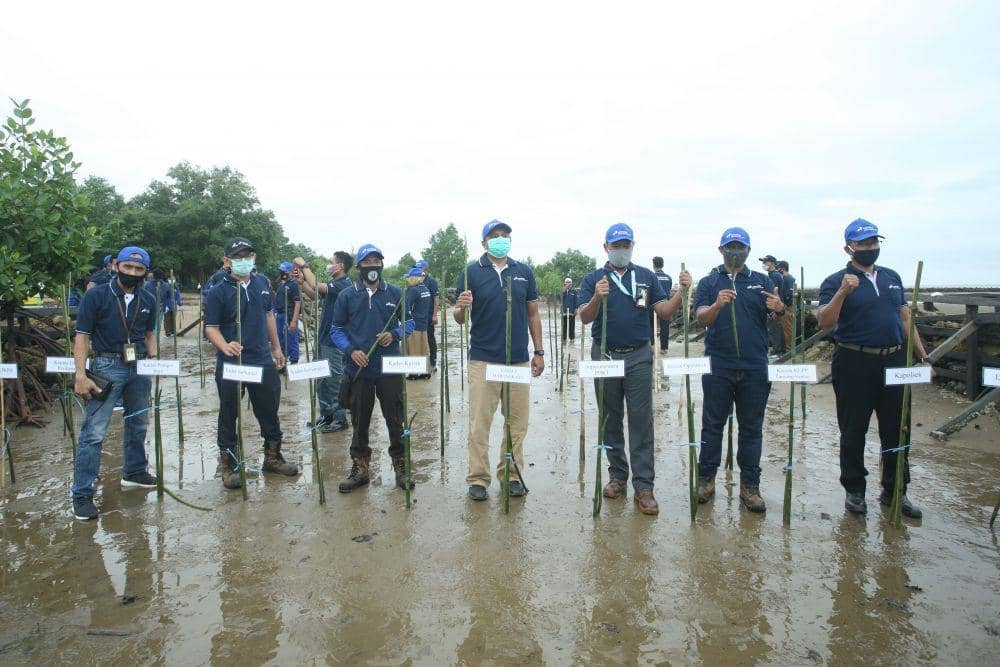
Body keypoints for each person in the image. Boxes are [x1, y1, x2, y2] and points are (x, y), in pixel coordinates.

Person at [818, 219, 930, 518]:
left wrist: (923, 355)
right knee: (853, 429)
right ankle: (855, 490)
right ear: (849, 248)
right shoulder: (835, 280)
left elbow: (905, 318)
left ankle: (896, 490)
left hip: (893, 360)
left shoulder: (891, 277)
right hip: (855, 361)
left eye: (873, 243)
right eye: (863, 244)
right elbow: (824, 321)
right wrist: (842, 292)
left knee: (897, 429)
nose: (870, 248)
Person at [578, 224, 691, 515]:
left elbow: (664, 311)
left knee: (641, 420)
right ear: (606, 248)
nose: (621, 249)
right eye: (616, 245)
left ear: (633, 246)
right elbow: (584, 318)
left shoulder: (646, 276)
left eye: (626, 244)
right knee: (610, 417)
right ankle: (618, 476)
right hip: (604, 355)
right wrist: (596, 298)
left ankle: (644, 486)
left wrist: (682, 293)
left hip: (639, 356)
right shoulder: (593, 278)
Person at [694, 227, 785, 513]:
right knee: (712, 425)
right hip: (719, 365)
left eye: (741, 247)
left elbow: (778, 316)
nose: (736, 251)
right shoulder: (709, 282)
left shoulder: (762, 280)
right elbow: (701, 319)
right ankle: (706, 479)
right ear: (721, 250)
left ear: (748, 250)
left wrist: (780, 307)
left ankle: (750, 486)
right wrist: (717, 306)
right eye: (731, 247)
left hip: (755, 365)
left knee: (751, 428)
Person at [454, 220, 544, 501]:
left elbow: (532, 314)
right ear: (484, 243)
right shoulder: (470, 272)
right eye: (495, 236)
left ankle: (512, 474)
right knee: (480, 422)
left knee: (517, 423)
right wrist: (461, 306)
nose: (501, 239)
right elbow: (458, 318)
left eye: (505, 235)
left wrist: (538, 352)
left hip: (517, 360)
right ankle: (478, 478)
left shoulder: (523, 272)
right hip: (483, 359)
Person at [70, 246, 159, 520]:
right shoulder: (96, 295)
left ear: (145, 272)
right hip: (107, 365)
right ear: (117, 266)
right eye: (127, 267)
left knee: (138, 421)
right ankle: (82, 494)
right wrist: (80, 375)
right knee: (94, 431)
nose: (132, 273)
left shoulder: (148, 298)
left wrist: (154, 363)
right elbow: (82, 336)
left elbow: (148, 334)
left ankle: (134, 471)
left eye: (138, 269)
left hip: (139, 366)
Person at [204, 237, 299, 490]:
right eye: (238, 257)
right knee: (229, 412)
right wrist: (224, 345)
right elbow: (210, 328)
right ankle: (229, 463)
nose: (244, 261)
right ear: (226, 261)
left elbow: (269, 315)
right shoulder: (217, 290)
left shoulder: (261, 284)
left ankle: (272, 456)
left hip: (261, 359)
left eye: (248, 256)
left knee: (268, 409)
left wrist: (277, 347)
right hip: (232, 363)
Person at [330, 244, 415, 492]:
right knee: (359, 420)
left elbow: (409, 323)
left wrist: (394, 334)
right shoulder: (347, 295)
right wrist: (351, 351)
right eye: (367, 263)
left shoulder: (395, 293)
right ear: (358, 268)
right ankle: (360, 467)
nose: (372, 267)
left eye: (376, 261)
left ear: (382, 265)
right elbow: (336, 329)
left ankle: (401, 465)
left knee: (395, 418)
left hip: (389, 367)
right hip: (359, 369)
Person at [295, 251, 353, 432]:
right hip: (324, 338)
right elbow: (314, 294)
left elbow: (315, 284)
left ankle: (339, 418)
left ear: (341, 266)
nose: (329, 264)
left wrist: (304, 266)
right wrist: (301, 283)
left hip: (335, 341)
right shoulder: (333, 285)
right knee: (322, 376)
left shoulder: (344, 284)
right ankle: (326, 414)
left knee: (334, 379)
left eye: (331, 262)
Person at [404, 267, 433, 379]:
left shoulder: (412, 290)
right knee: (424, 348)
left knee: (413, 348)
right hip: (424, 323)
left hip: (413, 324)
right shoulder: (425, 288)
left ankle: (414, 373)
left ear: (414, 278)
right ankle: (426, 371)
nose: (407, 280)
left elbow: (406, 308)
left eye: (408, 277)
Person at [273, 261, 302, 364]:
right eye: (280, 271)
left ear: (290, 272)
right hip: (279, 315)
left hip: (289, 315)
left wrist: (294, 321)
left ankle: (294, 361)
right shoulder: (280, 283)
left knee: (291, 339)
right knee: (280, 339)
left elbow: (297, 303)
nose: (281, 273)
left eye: (283, 271)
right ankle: (283, 361)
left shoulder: (293, 285)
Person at [415, 260, 441, 372]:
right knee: (418, 339)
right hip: (418, 316)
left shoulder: (431, 281)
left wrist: (435, 315)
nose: (417, 270)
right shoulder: (416, 280)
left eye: (419, 268)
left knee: (430, 338)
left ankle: (433, 361)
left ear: (425, 269)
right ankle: (420, 363)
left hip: (429, 315)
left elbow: (436, 298)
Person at [759, 254, 786, 356]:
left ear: (773, 263)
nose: (764, 264)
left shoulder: (774, 276)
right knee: (777, 328)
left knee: (775, 329)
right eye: (763, 262)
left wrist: (773, 310)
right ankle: (780, 350)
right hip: (778, 306)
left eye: (766, 262)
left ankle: (778, 351)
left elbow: (773, 294)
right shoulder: (775, 275)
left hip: (775, 307)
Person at [650, 256, 673, 353]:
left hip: (653, 305)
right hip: (666, 304)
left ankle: (652, 346)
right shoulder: (668, 278)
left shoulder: (652, 276)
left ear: (654, 265)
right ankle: (664, 348)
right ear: (662, 264)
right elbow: (669, 290)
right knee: (665, 327)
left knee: (651, 325)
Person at [143, 268, 174, 336]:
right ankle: (154, 339)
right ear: (162, 275)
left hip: (148, 307)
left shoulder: (146, 284)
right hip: (160, 307)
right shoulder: (167, 285)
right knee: (157, 325)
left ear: (153, 275)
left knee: (148, 324)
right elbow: (169, 296)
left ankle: (150, 338)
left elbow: (143, 295)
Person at [776, 260, 796, 350]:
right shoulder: (785, 278)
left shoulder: (788, 278)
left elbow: (789, 294)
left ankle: (789, 350)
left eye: (778, 267)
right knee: (784, 329)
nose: (777, 269)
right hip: (786, 306)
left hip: (788, 307)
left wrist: (784, 306)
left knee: (788, 329)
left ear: (783, 268)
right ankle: (786, 348)